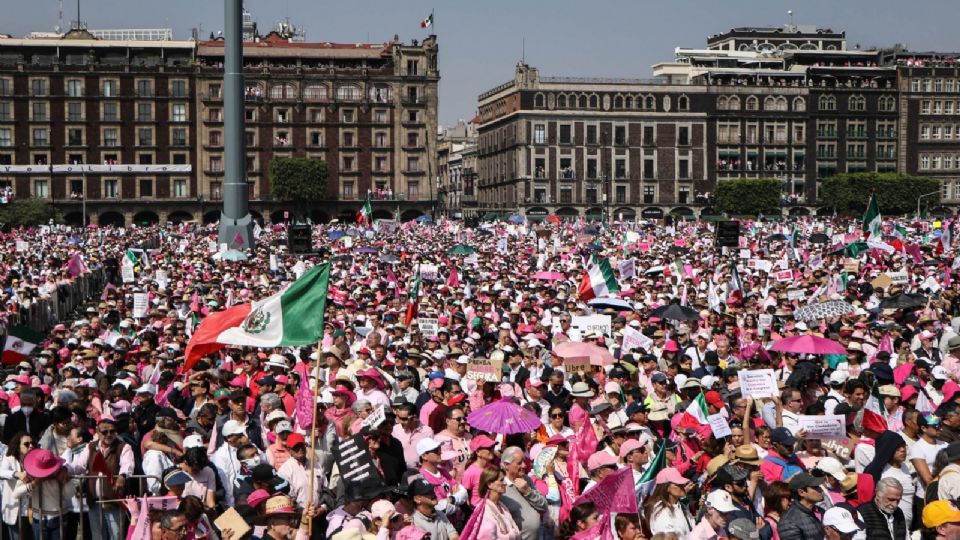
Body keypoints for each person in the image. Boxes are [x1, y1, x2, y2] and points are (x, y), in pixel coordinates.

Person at [499, 446, 548, 540]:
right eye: (519, 463)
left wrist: (527, 491)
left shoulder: (526, 479)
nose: (524, 465)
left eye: (524, 461)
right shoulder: (501, 487)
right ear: (506, 465)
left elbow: (543, 506)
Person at [0, 432, 33, 540]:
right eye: (27, 444)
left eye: (32, 443)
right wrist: (16, 474)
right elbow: (1, 471)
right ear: (18, 447)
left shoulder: (33, 459)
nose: (31, 446)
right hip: (15, 510)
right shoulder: (9, 458)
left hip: (31, 510)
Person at [473, 468, 521, 540]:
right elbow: (488, 536)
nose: (505, 483)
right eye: (501, 480)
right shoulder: (483, 509)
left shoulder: (502, 506)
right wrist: (512, 535)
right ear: (489, 484)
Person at [645, 467, 694, 536]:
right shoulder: (661, 512)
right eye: (678, 484)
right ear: (667, 487)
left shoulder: (681, 506)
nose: (682, 486)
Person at [776, 473, 825, 540]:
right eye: (815, 487)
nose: (821, 490)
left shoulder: (819, 511)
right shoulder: (788, 522)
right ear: (801, 492)